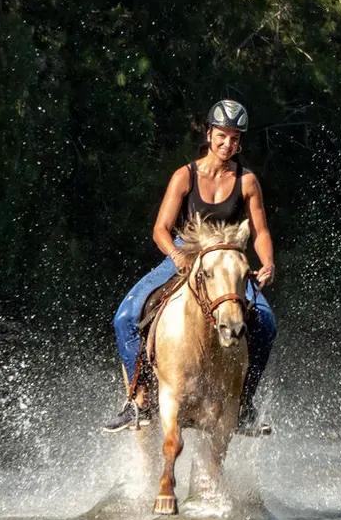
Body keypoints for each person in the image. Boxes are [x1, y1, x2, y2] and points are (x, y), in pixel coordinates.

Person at [103, 99, 278, 433]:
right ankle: (136, 401)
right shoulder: (184, 176)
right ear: (209, 133)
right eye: (222, 136)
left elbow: (261, 231)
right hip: (185, 253)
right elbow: (160, 230)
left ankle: (243, 405)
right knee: (124, 317)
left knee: (266, 323)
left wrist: (267, 262)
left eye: (235, 138)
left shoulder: (247, 182)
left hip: (227, 259)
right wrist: (178, 257)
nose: (228, 144)